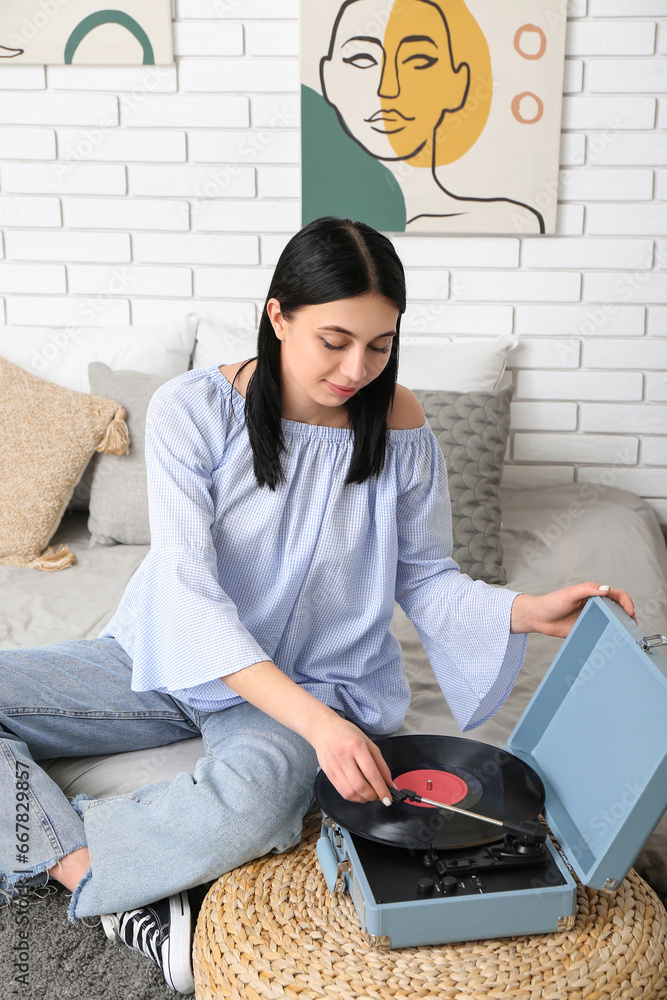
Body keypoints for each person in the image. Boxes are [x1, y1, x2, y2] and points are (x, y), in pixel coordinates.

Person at [0, 217, 632, 994]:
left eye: (379, 344)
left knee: (260, 803)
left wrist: (524, 610)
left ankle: (69, 850)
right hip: (155, 657)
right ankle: (88, 870)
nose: (356, 368)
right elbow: (189, 595)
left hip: (308, 682)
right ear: (277, 316)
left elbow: (425, 575)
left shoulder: (399, 423)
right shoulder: (189, 411)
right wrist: (321, 732)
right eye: (333, 341)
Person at [318, 0, 545, 232]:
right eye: (363, 59)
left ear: (459, 83)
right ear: (327, 78)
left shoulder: (508, 219)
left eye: (418, 61)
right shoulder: (326, 233)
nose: (388, 88)